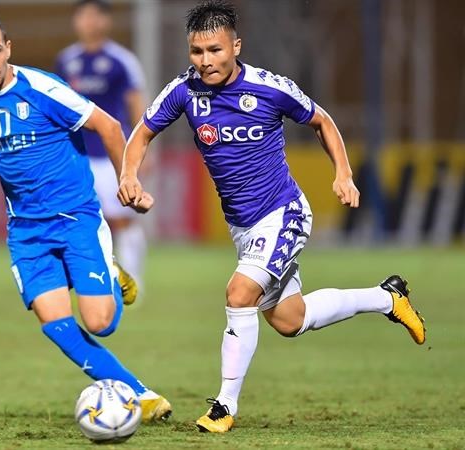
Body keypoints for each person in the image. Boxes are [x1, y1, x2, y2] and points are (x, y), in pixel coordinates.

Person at [117, 0, 425, 433]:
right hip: (243, 228)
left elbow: (322, 121)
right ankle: (388, 298)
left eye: (215, 51)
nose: (205, 61)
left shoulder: (269, 88)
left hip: (283, 212)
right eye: (197, 52)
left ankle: (224, 407)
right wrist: (129, 173)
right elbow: (142, 132)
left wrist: (343, 172)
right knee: (289, 319)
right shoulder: (184, 91)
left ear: (236, 46)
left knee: (238, 293)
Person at [0, 10, 170, 422]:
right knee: (56, 324)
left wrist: (129, 181)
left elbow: (110, 127)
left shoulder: (41, 88)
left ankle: (110, 271)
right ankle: (139, 394)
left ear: (8, 49)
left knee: (101, 322)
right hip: (26, 231)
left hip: (75, 218)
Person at [55, 0, 148, 288]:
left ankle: (134, 280)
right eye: (83, 16)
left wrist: (144, 151)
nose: (89, 22)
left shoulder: (121, 60)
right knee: (77, 220)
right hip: (76, 156)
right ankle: (94, 279)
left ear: (106, 22)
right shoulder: (65, 60)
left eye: (95, 16)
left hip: (111, 155)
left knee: (121, 218)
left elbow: (136, 105)